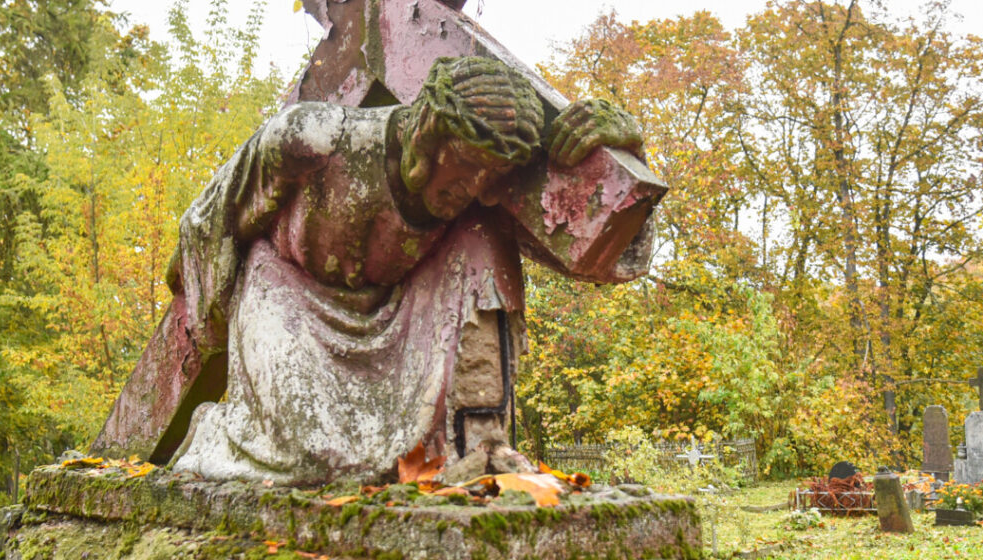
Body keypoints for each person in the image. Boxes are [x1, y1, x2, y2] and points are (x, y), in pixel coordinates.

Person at [162, 54, 645, 484]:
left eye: (492, 175)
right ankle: (217, 433)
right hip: (291, 294)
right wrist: (210, 316)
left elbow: (606, 259)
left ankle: (479, 437)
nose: (478, 185)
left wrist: (622, 158)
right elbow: (212, 218)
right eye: (468, 164)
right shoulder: (313, 140)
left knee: (482, 231)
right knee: (305, 463)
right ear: (428, 134)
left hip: (400, 314)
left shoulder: (477, 192)